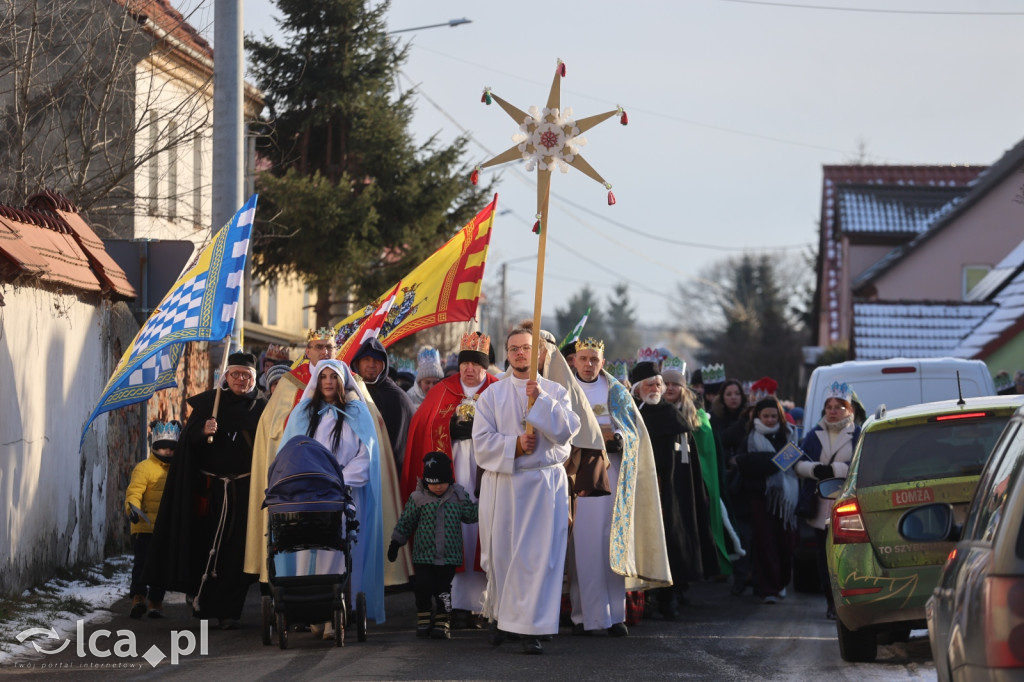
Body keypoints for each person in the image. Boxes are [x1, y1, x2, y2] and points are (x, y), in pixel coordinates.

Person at [473, 324, 582, 655]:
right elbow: (481, 444)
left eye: (526, 348)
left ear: (540, 353)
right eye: (514, 348)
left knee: (537, 557)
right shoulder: (492, 395)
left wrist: (541, 402)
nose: (521, 353)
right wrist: (515, 445)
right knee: (503, 553)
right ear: (507, 355)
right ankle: (503, 619)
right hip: (504, 482)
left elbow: (566, 433)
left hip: (543, 483)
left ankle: (533, 626)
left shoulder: (555, 392)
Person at [147, 352, 267, 629]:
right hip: (211, 491)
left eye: (246, 375)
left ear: (253, 379)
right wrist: (202, 430)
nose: (240, 379)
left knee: (237, 551)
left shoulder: (262, 408)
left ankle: (228, 611)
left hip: (245, 491)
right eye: (235, 374)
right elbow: (189, 445)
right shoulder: (210, 404)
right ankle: (203, 602)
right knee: (207, 546)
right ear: (226, 376)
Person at [568, 338, 670, 637]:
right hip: (580, 477)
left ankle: (614, 615)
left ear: (603, 361)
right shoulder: (564, 390)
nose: (589, 364)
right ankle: (584, 617)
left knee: (613, 542)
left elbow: (634, 432)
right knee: (583, 547)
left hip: (613, 476)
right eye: (583, 358)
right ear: (574, 360)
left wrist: (620, 439)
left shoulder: (616, 391)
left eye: (594, 359)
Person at [279, 358, 386, 633]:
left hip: (343, 495)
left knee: (338, 552)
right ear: (317, 381)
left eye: (333, 376)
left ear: (342, 381)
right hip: (308, 495)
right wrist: (308, 480)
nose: (328, 381)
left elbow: (366, 454)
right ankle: (310, 610)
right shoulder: (303, 414)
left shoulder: (357, 413)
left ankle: (334, 611)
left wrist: (338, 481)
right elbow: (291, 453)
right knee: (306, 548)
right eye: (323, 376)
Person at [401, 332, 498, 627]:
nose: (469, 369)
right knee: (451, 532)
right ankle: (453, 605)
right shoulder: (442, 390)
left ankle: (485, 605)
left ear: (486, 366)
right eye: (465, 362)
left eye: (476, 363)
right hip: (452, 471)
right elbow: (424, 427)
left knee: (484, 529)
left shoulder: (498, 389)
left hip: (488, 472)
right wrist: (450, 428)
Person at [244, 328, 341, 582]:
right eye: (318, 347)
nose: (325, 352)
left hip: (338, 479)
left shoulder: (347, 380)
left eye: (329, 346)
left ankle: (336, 594)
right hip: (298, 476)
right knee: (298, 538)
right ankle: (295, 588)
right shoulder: (291, 383)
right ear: (307, 351)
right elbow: (273, 430)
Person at [631, 361, 705, 619]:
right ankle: (644, 597)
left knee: (670, 541)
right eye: (650, 384)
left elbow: (683, 460)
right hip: (638, 490)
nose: (655, 388)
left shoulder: (672, 417)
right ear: (638, 388)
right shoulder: (632, 414)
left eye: (658, 384)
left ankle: (668, 597)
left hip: (668, 491)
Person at [388, 451, 478, 640]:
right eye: (433, 483)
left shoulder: (458, 497)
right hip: (424, 556)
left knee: (443, 590)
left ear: (450, 480)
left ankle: (442, 621)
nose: (437, 487)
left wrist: (486, 503)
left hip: (449, 556)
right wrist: (396, 542)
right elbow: (406, 522)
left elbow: (471, 515)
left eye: (442, 483)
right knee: (422, 586)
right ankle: (423, 617)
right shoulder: (418, 498)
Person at [661, 357, 733, 580]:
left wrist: (704, 485)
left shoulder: (698, 416)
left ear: (683, 388)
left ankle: (686, 579)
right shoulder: (655, 412)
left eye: (675, 384)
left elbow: (707, 455)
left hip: (691, 481)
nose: (670, 388)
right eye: (666, 384)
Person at [795, 380, 859, 620]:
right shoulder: (814, 434)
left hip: (846, 504)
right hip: (820, 506)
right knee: (825, 559)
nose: (832, 411)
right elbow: (797, 463)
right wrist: (814, 470)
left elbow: (860, 465)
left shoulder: (858, 433)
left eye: (838, 407)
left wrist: (834, 470)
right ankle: (831, 602)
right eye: (829, 407)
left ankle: (849, 600)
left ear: (849, 410)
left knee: (847, 556)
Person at [731, 394, 798, 604]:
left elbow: (791, 459)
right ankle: (769, 588)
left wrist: (761, 463)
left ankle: (782, 582)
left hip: (785, 500)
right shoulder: (750, 438)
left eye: (773, 416)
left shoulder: (789, 435)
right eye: (765, 416)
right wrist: (774, 461)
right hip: (759, 498)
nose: (770, 420)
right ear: (757, 416)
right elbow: (743, 463)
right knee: (765, 544)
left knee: (785, 545)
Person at [126, 419, 179, 619]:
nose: (167, 452)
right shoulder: (144, 468)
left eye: (172, 448)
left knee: (161, 567)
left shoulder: (177, 470)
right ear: (155, 446)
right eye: (163, 447)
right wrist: (133, 509)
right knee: (142, 564)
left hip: (166, 528)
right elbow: (134, 492)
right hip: (145, 527)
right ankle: (138, 598)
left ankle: (156, 602)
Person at [352, 336, 414, 472]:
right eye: (366, 360)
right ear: (357, 363)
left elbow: (395, 447)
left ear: (384, 364)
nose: (371, 365)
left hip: (386, 470)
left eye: (376, 361)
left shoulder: (394, 397)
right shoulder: (352, 392)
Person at [406, 346, 444, 411]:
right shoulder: (409, 398)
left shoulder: (446, 396)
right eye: (427, 382)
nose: (432, 387)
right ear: (419, 383)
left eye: (435, 382)